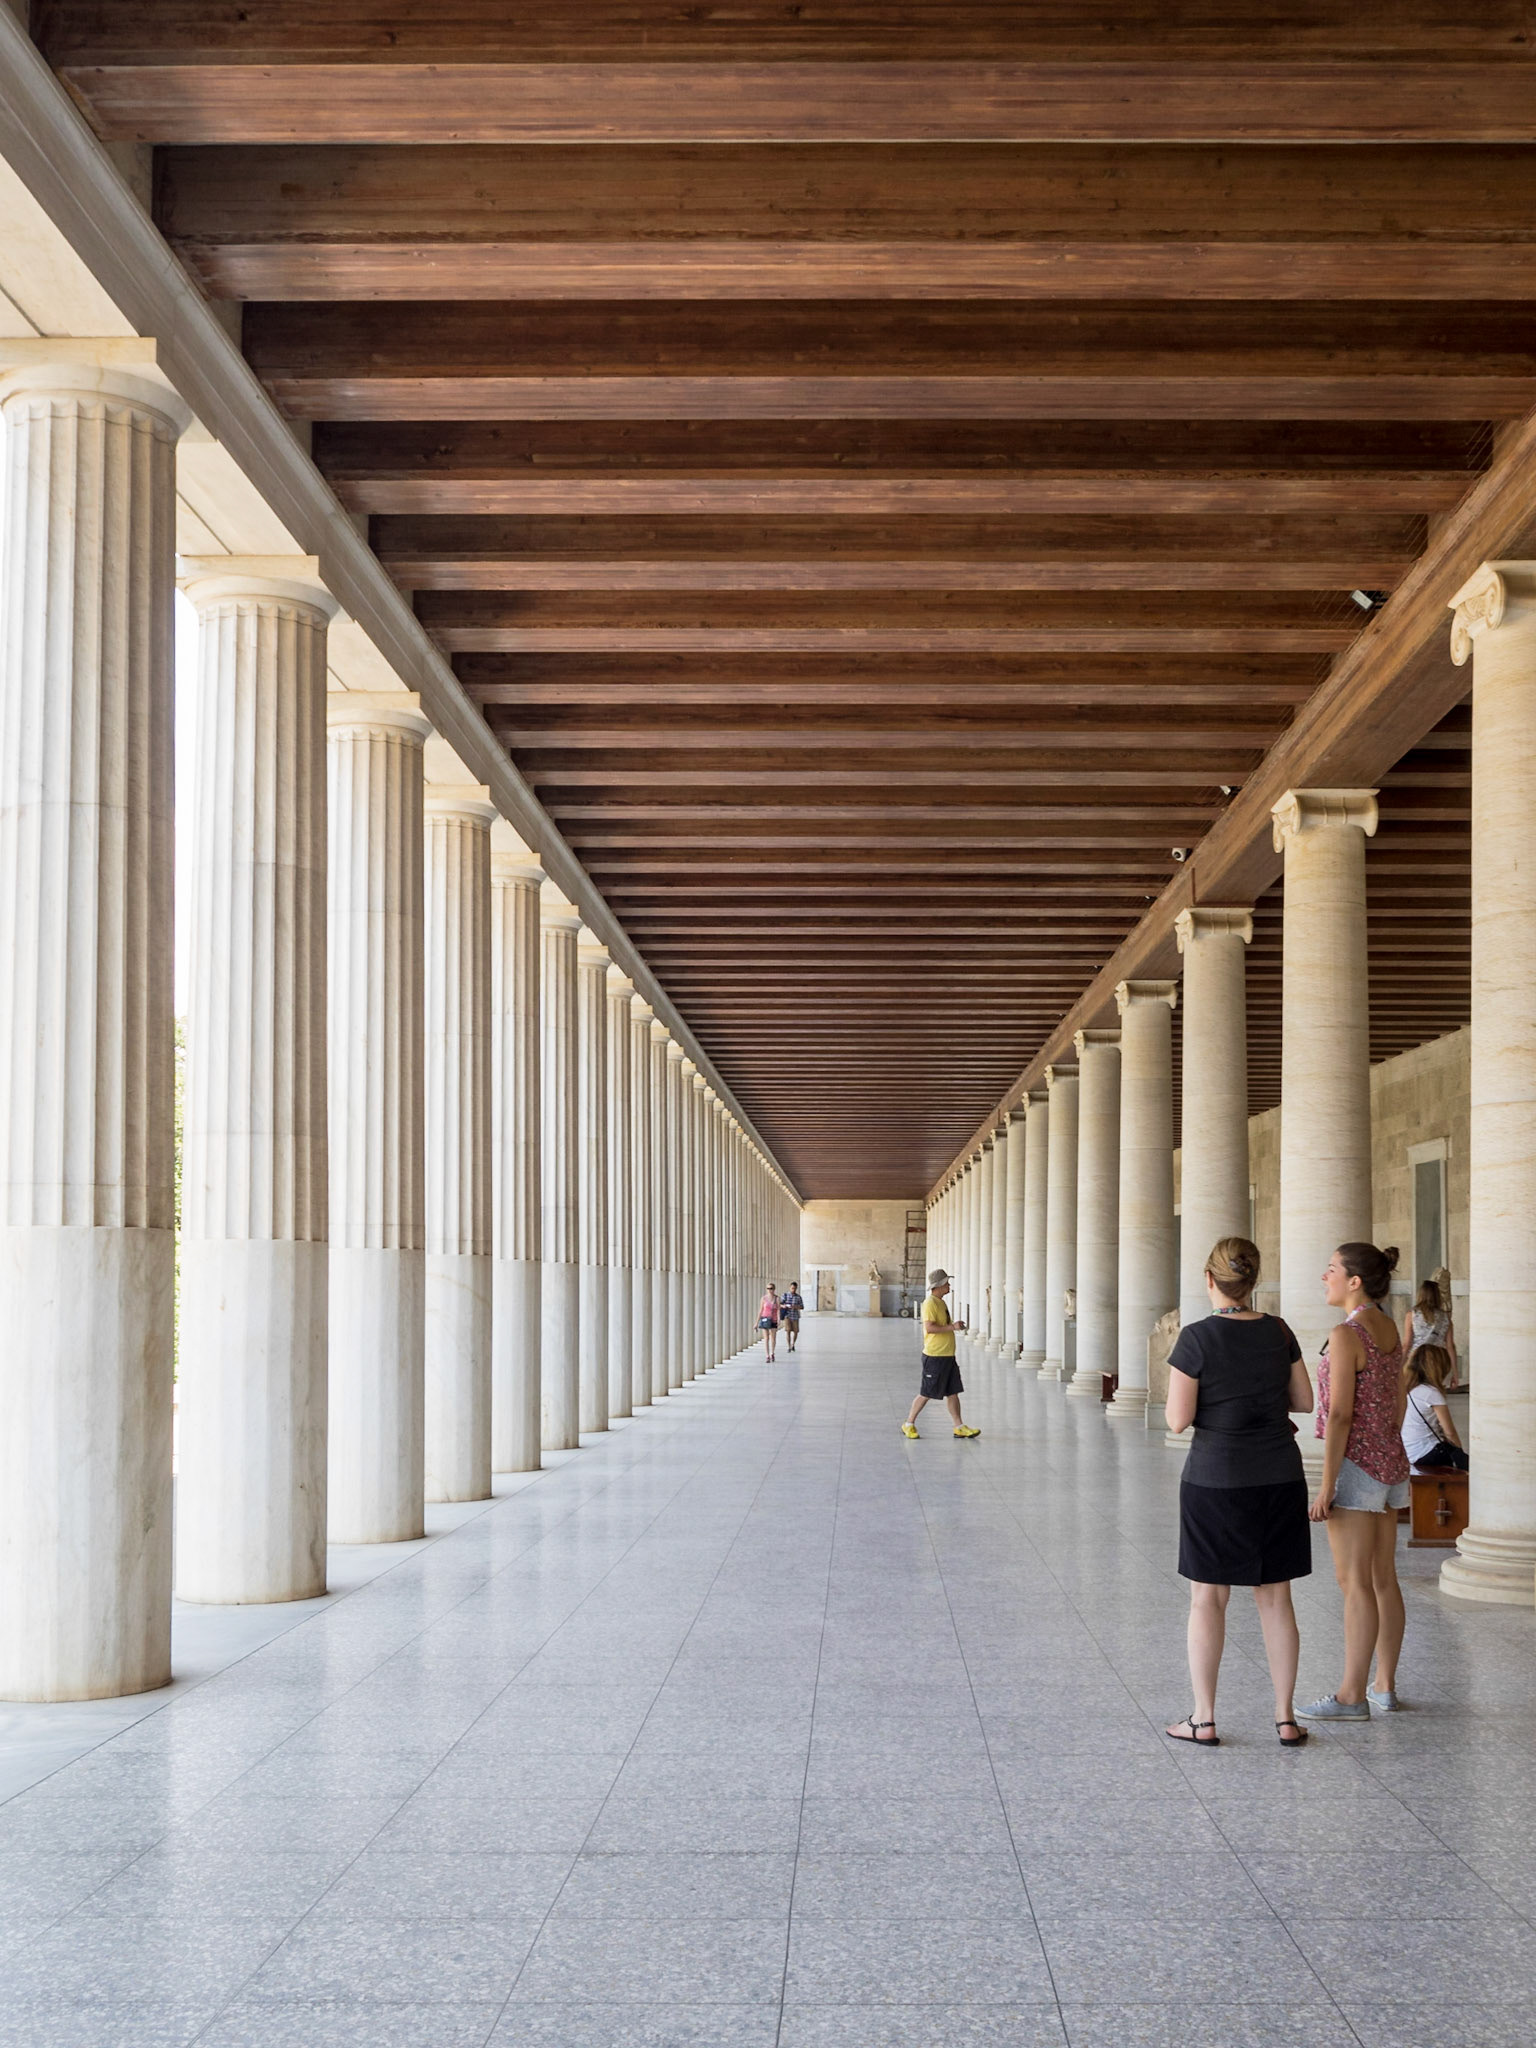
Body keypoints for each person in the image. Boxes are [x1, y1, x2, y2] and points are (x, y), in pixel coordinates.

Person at [1162, 1238, 1314, 1750]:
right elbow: (1304, 1400)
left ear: (1210, 1281)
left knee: (1208, 1598)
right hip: (1279, 1476)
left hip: (1216, 1479)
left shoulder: (1196, 1338)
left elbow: (1178, 1420)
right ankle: (1285, 1717)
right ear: (1253, 1282)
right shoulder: (1279, 1330)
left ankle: (1203, 1719)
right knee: (1276, 1599)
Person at [1300, 1242, 1410, 1721]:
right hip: (1390, 1460)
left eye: (1330, 1270)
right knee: (1384, 1578)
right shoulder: (1388, 1328)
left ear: (1354, 1281)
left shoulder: (1347, 1334)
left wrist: (1327, 1485)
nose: (1323, 1278)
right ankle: (1383, 1684)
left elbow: (1340, 1413)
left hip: (1356, 1466)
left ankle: (1351, 1696)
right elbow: (1398, 1401)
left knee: (1354, 1583)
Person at [903, 1269, 980, 1440]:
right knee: (927, 1392)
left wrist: (954, 1325)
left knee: (953, 1392)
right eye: (946, 1283)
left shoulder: (940, 1302)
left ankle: (958, 1426)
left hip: (947, 1356)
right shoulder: (930, 1303)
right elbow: (929, 1328)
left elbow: (942, 1325)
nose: (949, 1286)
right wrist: (953, 1327)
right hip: (935, 1356)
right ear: (938, 1285)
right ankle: (909, 1423)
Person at [1402, 1342, 1467, 1472]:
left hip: (1408, 1453)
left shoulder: (1406, 1389)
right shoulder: (1431, 1393)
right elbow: (1450, 1432)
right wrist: (1461, 1457)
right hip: (1428, 1453)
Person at [1401, 1274, 1459, 1389]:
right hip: (1438, 1359)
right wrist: (1455, 1374)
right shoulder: (1446, 1317)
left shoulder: (1412, 1315)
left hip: (1416, 1358)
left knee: (1413, 1392)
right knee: (1434, 1391)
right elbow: (1450, 1346)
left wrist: (1400, 1366)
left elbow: (1407, 1344)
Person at [780, 1280, 804, 1352]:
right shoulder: (785, 1295)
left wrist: (795, 1307)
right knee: (788, 1331)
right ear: (790, 1287)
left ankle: (793, 1343)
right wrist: (784, 1306)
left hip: (795, 1316)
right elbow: (780, 1304)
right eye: (792, 1288)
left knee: (796, 1331)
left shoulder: (798, 1297)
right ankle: (789, 1346)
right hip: (787, 1315)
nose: (793, 1290)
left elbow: (802, 1307)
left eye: (794, 1288)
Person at [758, 1283, 780, 1362]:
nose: (769, 1290)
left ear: (774, 1289)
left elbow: (778, 1309)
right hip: (764, 1318)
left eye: (771, 1288)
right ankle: (767, 1355)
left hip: (773, 1320)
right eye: (768, 1288)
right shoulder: (763, 1298)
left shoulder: (777, 1298)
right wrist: (756, 1322)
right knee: (766, 1338)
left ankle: (772, 1353)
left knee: (773, 1338)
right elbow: (761, 1310)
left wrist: (778, 1319)